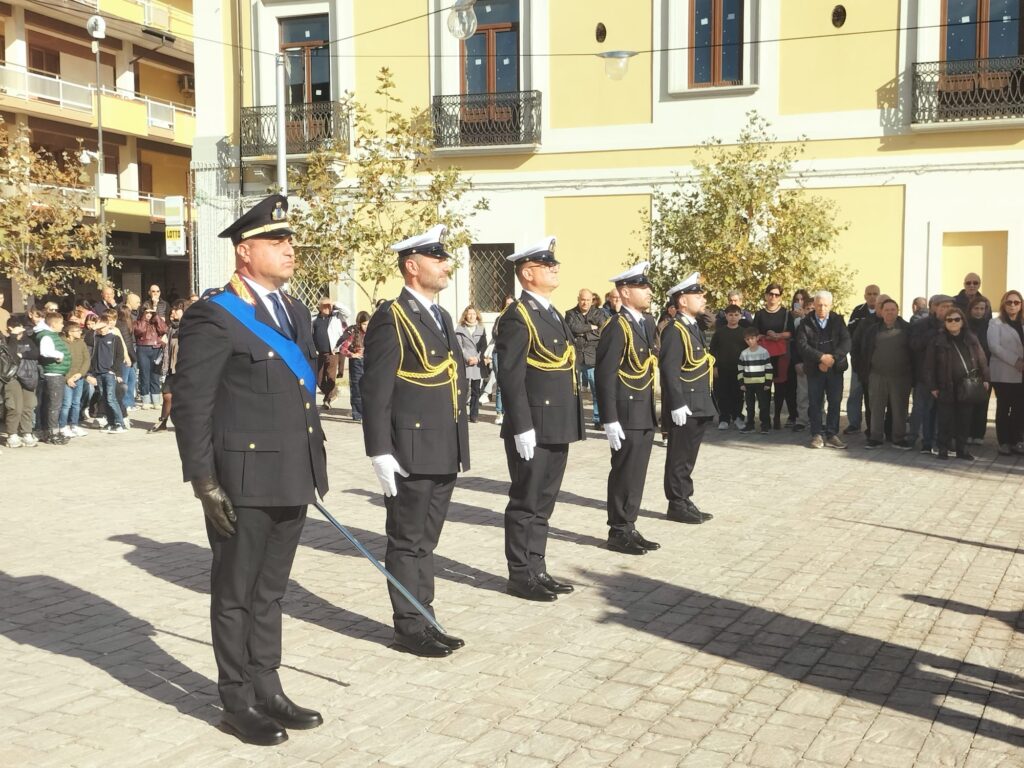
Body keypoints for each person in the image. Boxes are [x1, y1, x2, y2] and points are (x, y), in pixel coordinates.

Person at [171, 194, 328, 745]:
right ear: (245, 252)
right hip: (241, 481)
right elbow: (192, 404)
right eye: (277, 241)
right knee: (236, 592)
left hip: (292, 473)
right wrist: (204, 481)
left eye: (290, 241)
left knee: (272, 592)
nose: (290, 250)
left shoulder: (296, 312)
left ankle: (268, 686)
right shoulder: (214, 315)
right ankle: (236, 699)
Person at [361, 224, 470, 657]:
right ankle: (408, 627)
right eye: (437, 258)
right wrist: (379, 451)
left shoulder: (440, 316)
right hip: (410, 449)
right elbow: (377, 389)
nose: (446, 265)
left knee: (427, 540)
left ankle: (425, 617)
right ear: (412, 265)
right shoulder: (393, 315)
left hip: (443, 446)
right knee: (407, 540)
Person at [496, 236, 585, 600]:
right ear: (528, 273)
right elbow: (511, 375)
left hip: (558, 422)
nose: (555, 269)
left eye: (554, 264)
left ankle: (538, 567)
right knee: (526, 501)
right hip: (533, 425)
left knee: (545, 503)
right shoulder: (518, 316)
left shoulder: (551, 313)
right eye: (548, 265)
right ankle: (520, 574)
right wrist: (522, 426)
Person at [595, 262, 661, 556]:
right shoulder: (617, 326)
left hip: (643, 409)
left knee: (638, 471)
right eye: (641, 287)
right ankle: (618, 530)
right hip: (624, 411)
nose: (648, 292)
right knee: (624, 471)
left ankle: (630, 525)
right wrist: (609, 419)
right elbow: (605, 374)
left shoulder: (646, 323)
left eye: (647, 287)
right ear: (625, 292)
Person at [660, 272, 716, 524]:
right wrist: (677, 403)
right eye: (697, 295)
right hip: (686, 403)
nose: (702, 298)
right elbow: (670, 370)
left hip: (699, 402)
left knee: (689, 456)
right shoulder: (675, 330)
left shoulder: (693, 327)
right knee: (679, 456)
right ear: (682, 301)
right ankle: (676, 503)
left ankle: (685, 498)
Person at [924, 306, 990, 460]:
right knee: (945, 420)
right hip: (945, 386)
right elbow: (929, 366)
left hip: (967, 386)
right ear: (945, 322)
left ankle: (962, 450)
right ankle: (943, 449)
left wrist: (986, 379)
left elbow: (982, 360)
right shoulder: (937, 340)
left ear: (962, 321)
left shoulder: (971, 338)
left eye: (956, 319)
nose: (953, 322)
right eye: (949, 320)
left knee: (964, 419)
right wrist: (932, 386)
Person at [796, 291, 851, 450]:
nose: (822, 308)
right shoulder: (805, 322)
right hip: (815, 369)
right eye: (819, 304)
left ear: (830, 305)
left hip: (835, 368)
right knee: (815, 403)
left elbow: (846, 341)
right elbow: (802, 345)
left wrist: (832, 358)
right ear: (814, 304)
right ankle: (817, 434)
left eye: (825, 305)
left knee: (835, 401)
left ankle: (832, 434)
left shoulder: (838, 320)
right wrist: (821, 358)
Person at [856, 299, 913, 449]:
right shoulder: (873, 329)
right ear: (881, 312)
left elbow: (914, 352)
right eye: (886, 310)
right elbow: (865, 351)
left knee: (900, 408)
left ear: (898, 311)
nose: (889, 312)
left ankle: (899, 438)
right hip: (877, 375)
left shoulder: (907, 329)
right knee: (876, 408)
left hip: (901, 377)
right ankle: (875, 437)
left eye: (892, 309)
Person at [910, 295, 954, 453]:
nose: (946, 310)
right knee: (926, 409)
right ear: (934, 308)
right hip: (926, 375)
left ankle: (942, 441)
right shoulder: (922, 324)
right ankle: (926, 442)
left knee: (944, 411)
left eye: (949, 306)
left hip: (948, 376)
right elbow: (914, 345)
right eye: (943, 306)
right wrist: (935, 332)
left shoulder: (955, 324)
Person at [987, 290, 1024, 455]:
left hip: (1021, 374)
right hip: (1004, 372)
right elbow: (994, 347)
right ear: (1003, 304)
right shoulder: (995, 323)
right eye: (1009, 302)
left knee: (1019, 408)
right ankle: (1004, 442)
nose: (1013, 305)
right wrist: (1016, 361)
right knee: (1004, 407)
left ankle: (1016, 440)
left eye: (1016, 302)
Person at [754, 284, 796, 429]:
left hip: (781, 354)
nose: (773, 297)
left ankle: (777, 416)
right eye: (770, 294)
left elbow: (791, 333)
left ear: (780, 297)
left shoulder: (786, 313)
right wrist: (765, 335)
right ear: (766, 295)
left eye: (777, 295)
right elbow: (754, 333)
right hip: (764, 354)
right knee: (764, 386)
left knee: (780, 387)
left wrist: (778, 335)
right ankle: (765, 419)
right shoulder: (759, 314)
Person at [844, 284, 881, 436]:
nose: (872, 296)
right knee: (855, 393)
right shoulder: (858, 312)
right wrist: (854, 355)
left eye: (875, 293)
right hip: (859, 361)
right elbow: (849, 334)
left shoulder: (883, 311)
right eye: (869, 294)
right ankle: (854, 423)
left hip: (877, 362)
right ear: (865, 296)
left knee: (873, 395)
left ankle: (873, 426)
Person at [565, 289, 605, 428]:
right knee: (573, 390)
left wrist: (583, 334)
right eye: (583, 299)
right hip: (575, 357)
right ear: (578, 299)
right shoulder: (570, 313)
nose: (585, 303)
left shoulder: (599, 314)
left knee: (596, 391)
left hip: (592, 357)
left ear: (592, 300)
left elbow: (602, 331)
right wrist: (590, 327)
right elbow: (570, 328)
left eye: (588, 300)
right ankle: (573, 418)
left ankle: (597, 419)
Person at [3, 314, 40, 448]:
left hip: (28, 377)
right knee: (14, 407)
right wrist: (13, 338)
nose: (21, 330)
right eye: (17, 327)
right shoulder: (7, 341)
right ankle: (12, 434)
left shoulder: (28, 340)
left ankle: (27, 433)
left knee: (29, 406)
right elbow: (10, 354)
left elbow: (36, 353)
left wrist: (22, 354)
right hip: (13, 377)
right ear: (10, 328)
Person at [149, 300, 185, 434]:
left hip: (184, 369)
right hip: (171, 367)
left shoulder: (189, 328)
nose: (173, 312)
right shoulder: (171, 328)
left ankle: (184, 422)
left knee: (183, 397)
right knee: (167, 395)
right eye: (172, 310)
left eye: (176, 310)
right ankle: (163, 421)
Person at [709, 305, 747, 430]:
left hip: (739, 369)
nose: (733, 317)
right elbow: (712, 350)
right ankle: (724, 418)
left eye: (736, 315)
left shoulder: (743, 332)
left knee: (738, 394)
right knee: (723, 394)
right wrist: (714, 367)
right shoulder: (720, 332)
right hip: (722, 369)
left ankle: (737, 417)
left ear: (740, 316)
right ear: (726, 316)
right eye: (730, 315)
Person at [88, 313, 126, 434]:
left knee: (111, 399)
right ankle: (111, 423)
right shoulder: (96, 338)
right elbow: (87, 337)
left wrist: (116, 371)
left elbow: (120, 356)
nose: (101, 330)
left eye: (103, 328)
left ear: (108, 326)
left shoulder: (115, 338)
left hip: (109, 373)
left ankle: (120, 423)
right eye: (99, 328)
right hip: (98, 373)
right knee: (104, 399)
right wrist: (95, 327)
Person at [36, 311, 70, 445]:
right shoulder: (47, 336)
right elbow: (45, 351)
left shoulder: (51, 335)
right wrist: (59, 354)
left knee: (51, 405)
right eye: (61, 323)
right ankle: (52, 433)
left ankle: (48, 431)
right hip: (53, 374)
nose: (62, 326)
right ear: (54, 324)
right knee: (54, 405)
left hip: (56, 373)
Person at [966, 296, 993, 445]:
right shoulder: (965, 325)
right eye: (976, 308)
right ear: (970, 310)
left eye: (982, 309)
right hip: (968, 369)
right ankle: (968, 432)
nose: (979, 311)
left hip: (986, 369)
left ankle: (979, 434)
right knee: (968, 402)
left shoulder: (990, 325)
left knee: (983, 402)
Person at [737, 326, 773, 434]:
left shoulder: (764, 352)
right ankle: (750, 425)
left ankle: (765, 425)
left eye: (752, 338)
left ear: (757, 338)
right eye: (747, 339)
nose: (750, 341)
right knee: (749, 406)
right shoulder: (744, 353)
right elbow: (740, 369)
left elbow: (768, 368)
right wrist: (741, 383)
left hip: (761, 383)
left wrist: (768, 382)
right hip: (748, 384)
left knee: (763, 405)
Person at [455, 305, 488, 423]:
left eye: (473, 314)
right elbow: (458, 346)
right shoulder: (460, 329)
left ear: (477, 316)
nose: (471, 316)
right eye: (469, 314)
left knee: (475, 390)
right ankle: (461, 414)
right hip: (465, 363)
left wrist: (478, 359)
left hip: (477, 364)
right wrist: (467, 358)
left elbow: (484, 346)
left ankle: (474, 415)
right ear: (465, 315)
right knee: (463, 389)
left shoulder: (481, 329)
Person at [59, 320, 90, 439]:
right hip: (66, 378)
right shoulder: (62, 343)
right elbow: (61, 362)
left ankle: (74, 425)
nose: (80, 332)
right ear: (69, 332)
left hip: (79, 377)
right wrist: (68, 378)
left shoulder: (81, 343)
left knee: (76, 403)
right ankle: (63, 426)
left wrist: (80, 374)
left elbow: (86, 359)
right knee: (66, 403)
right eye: (77, 330)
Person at [312, 297, 344, 409]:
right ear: (320, 307)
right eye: (325, 306)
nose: (327, 308)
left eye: (329, 306)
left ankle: (327, 399)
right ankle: (333, 393)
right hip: (319, 353)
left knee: (330, 377)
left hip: (332, 352)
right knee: (318, 379)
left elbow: (347, 312)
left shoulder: (336, 317)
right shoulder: (314, 319)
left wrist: (334, 303)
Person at [133, 306, 168, 410]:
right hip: (142, 349)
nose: (148, 314)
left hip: (156, 349)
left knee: (155, 375)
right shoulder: (138, 322)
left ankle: (156, 401)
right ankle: (146, 400)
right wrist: (144, 319)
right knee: (144, 374)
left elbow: (163, 329)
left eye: (150, 313)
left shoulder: (156, 322)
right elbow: (139, 331)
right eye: (146, 312)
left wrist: (156, 316)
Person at [340, 311, 369, 423]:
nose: (366, 327)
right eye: (364, 324)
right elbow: (343, 348)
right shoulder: (354, 334)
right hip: (356, 364)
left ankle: (367, 412)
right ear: (359, 323)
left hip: (368, 363)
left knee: (368, 389)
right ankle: (357, 414)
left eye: (367, 324)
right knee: (357, 389)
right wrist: (353, 355)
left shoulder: (372, 333)